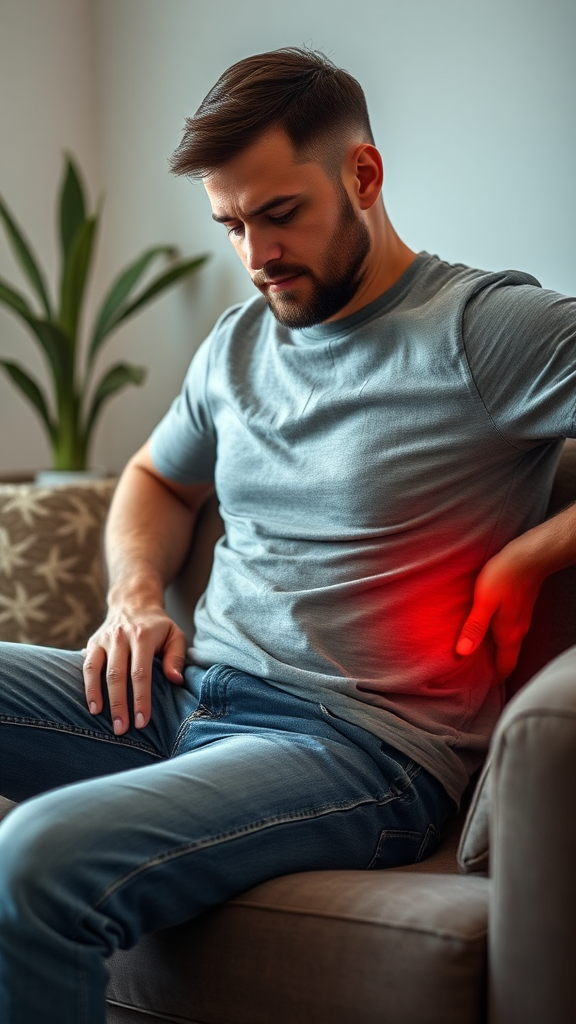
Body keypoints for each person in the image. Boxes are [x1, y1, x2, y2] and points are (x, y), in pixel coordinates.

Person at [0, 46, 575, 1024]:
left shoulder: (483, 326)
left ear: (363, 175)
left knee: (35, 858)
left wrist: (534, 552)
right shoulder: (235, 342)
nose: (257, 254)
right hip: (185, 701)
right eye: (231, 225)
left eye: (279, 214)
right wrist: (136, 596)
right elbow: (153, 477)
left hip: (356, 747)